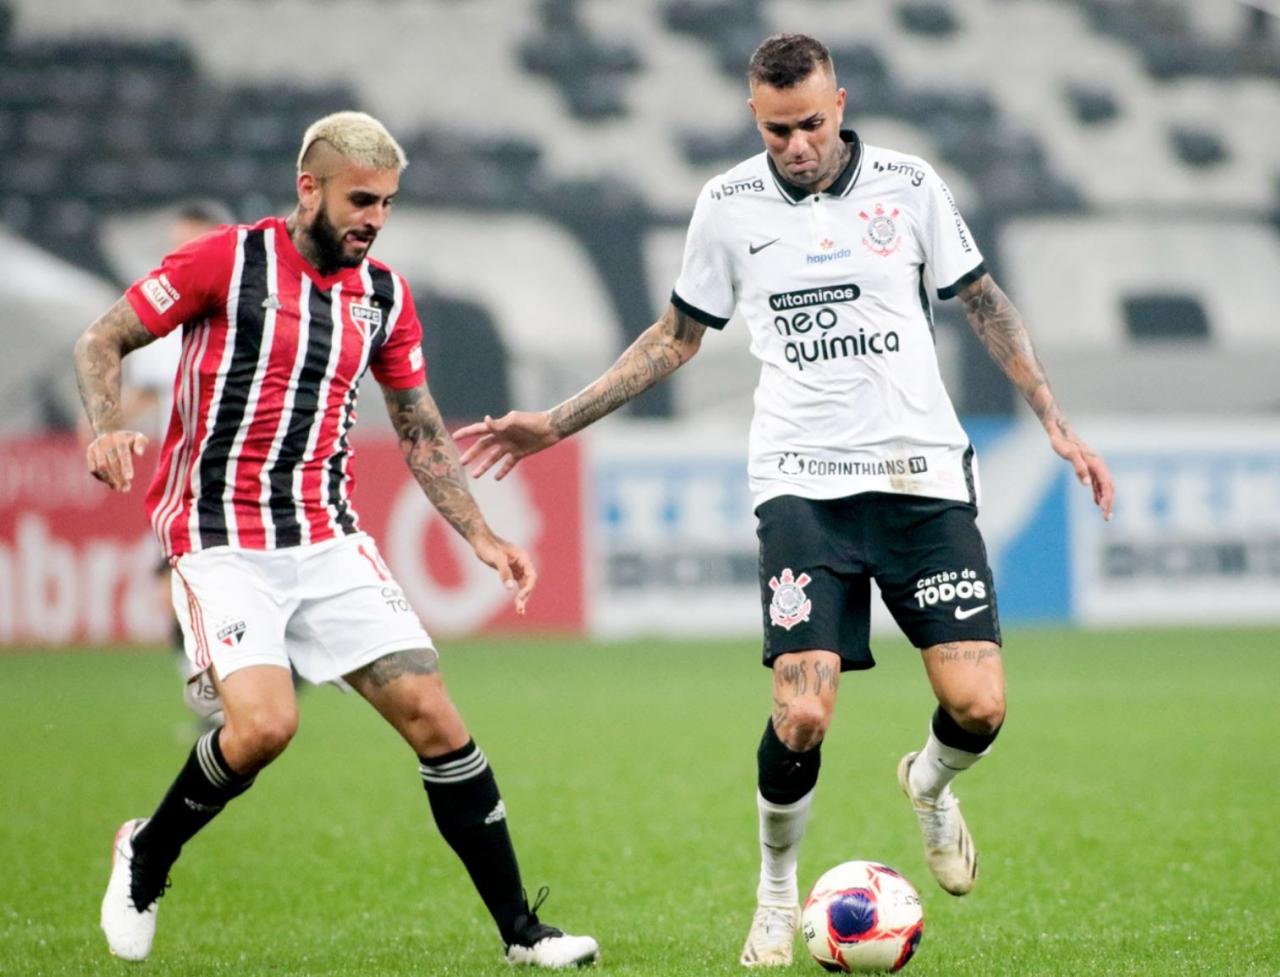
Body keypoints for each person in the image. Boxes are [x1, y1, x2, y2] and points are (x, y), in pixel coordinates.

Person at [454, 33, 1115, 968]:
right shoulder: (726, 206)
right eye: (776, 130)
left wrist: (1053, 418)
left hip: (921, 476)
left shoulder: (910, 186)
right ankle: (774, 892)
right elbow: (674, 336)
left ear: (839, 104)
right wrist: (555, 424)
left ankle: (927, 785)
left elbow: (984, 302)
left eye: (809, 123)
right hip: (802, 482)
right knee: (803, 712)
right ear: (753, 118)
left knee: (980, 707)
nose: (796, 145)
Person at [74, 111, 599, 969]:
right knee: (264, 728)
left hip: (326, 536)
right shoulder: (226, 260)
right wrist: (104, 427)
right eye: (361, 199)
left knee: (436, 717)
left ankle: (522, 932)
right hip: (221, 537)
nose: (374, 218)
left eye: (388, 203)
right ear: (308, 187)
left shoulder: (383, 294)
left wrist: (480, 534)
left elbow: (419, 425)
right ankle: (147, 851)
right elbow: (103, 338)